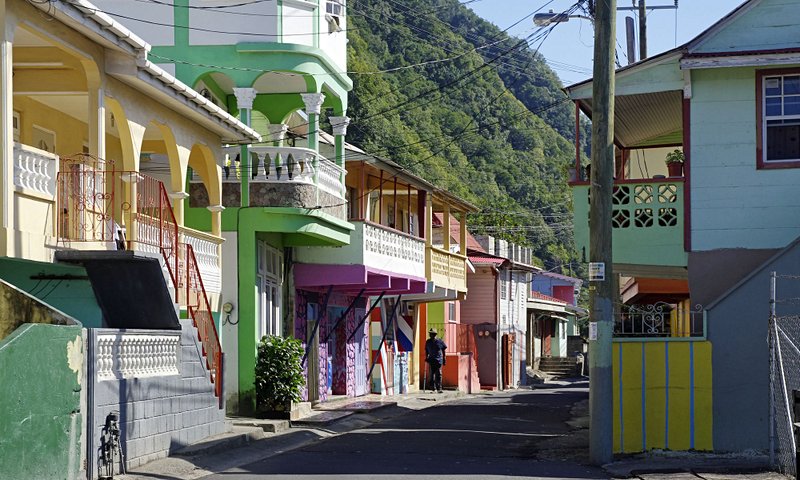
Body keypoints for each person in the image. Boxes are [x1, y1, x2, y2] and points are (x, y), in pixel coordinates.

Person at [425, 328, 447, 393]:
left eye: (432, 334)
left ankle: (439, 388)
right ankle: (433, 388)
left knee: (439, 374)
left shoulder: (440, 341)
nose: (431, 335)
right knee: (431, 375)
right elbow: (426, 350)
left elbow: (443, 350)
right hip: (431, 360)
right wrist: (426, 357)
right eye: (430, 333)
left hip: (438, 360)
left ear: (435, 334)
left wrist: (444, 359)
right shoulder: (428, 342)